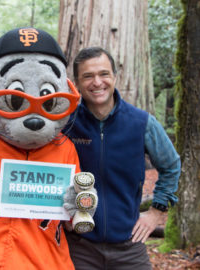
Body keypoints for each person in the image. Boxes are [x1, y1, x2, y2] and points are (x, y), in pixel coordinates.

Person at [62, 47, 181, 270]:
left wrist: (156, 212)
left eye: (104, 74)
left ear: (115, 77)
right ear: (76, 83)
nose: (97, 82)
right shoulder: (65, 124)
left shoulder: (141, 122)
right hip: (78, 247)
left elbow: (172, 165)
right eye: (88, 76)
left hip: (130, 247)